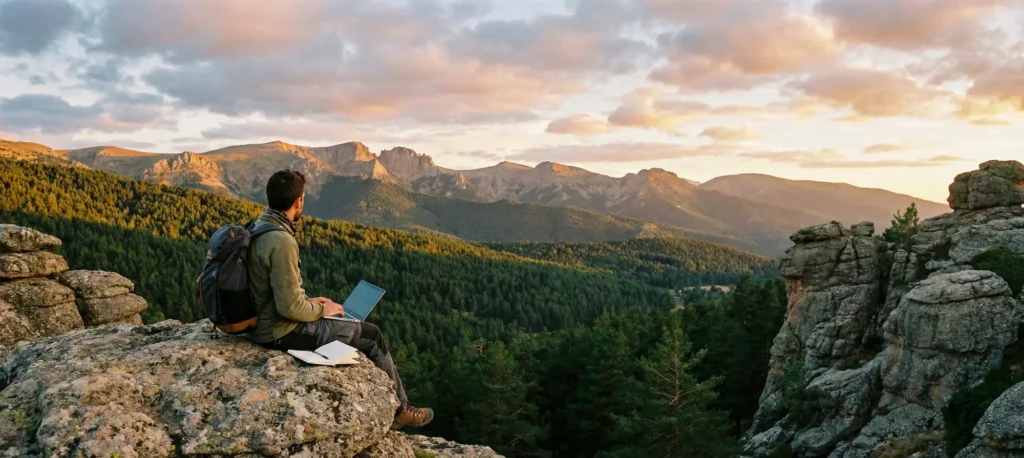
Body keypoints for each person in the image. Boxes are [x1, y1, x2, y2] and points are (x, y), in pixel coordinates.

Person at [246, 169, 434, 430]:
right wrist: (321, 311)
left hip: (263, 322)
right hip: (280, 330)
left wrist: (312, 302)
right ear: (299, 201)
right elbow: (289, 308)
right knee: (371, 334)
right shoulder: (281, 240)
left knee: (340, 318)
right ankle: (400, 412)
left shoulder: (258, 227)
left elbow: (270, 289)